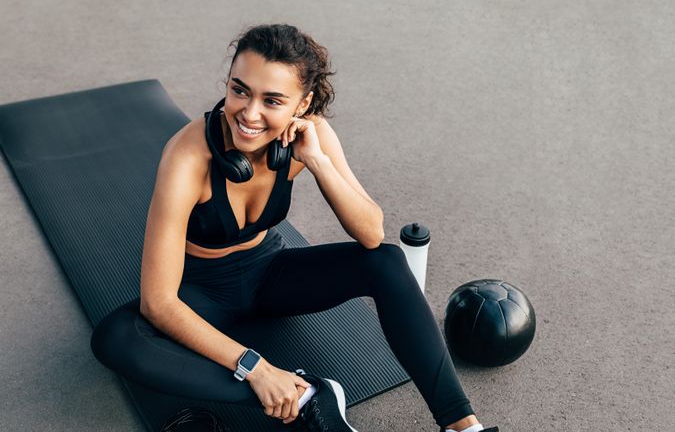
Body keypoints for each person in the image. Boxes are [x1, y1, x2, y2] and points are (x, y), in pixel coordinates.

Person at [90, 23, 498, 432]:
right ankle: (305, 396)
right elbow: (158, 303)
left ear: (301, 105)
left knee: (387, 262)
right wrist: (256, 368)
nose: (249, 114)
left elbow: (371, 233)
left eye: (272, 100)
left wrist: (317, 161)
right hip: (199, 292)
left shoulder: (312, 136)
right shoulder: (186, 157)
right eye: (240, 90)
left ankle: (462, 425)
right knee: (115, 339)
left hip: (269, 275)